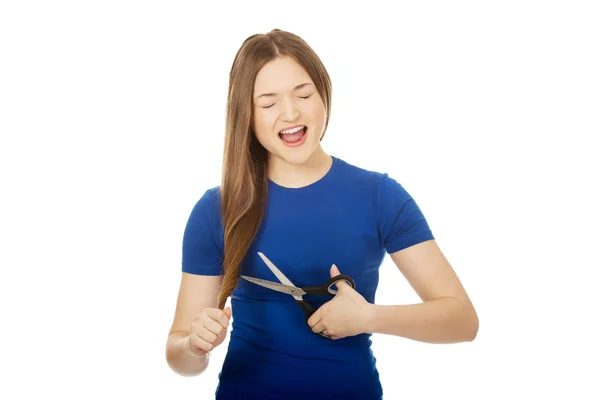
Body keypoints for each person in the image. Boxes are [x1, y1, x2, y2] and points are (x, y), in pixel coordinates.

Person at [165, 29, 479, 399]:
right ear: (245, 116)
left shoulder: (379, 196)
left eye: (303, 94)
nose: (291, 112)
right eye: (268, 103)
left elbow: (462, 320)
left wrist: (369, 318)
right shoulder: (216, 210)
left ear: (324, 94)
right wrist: (195, 346)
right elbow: (179, 355)